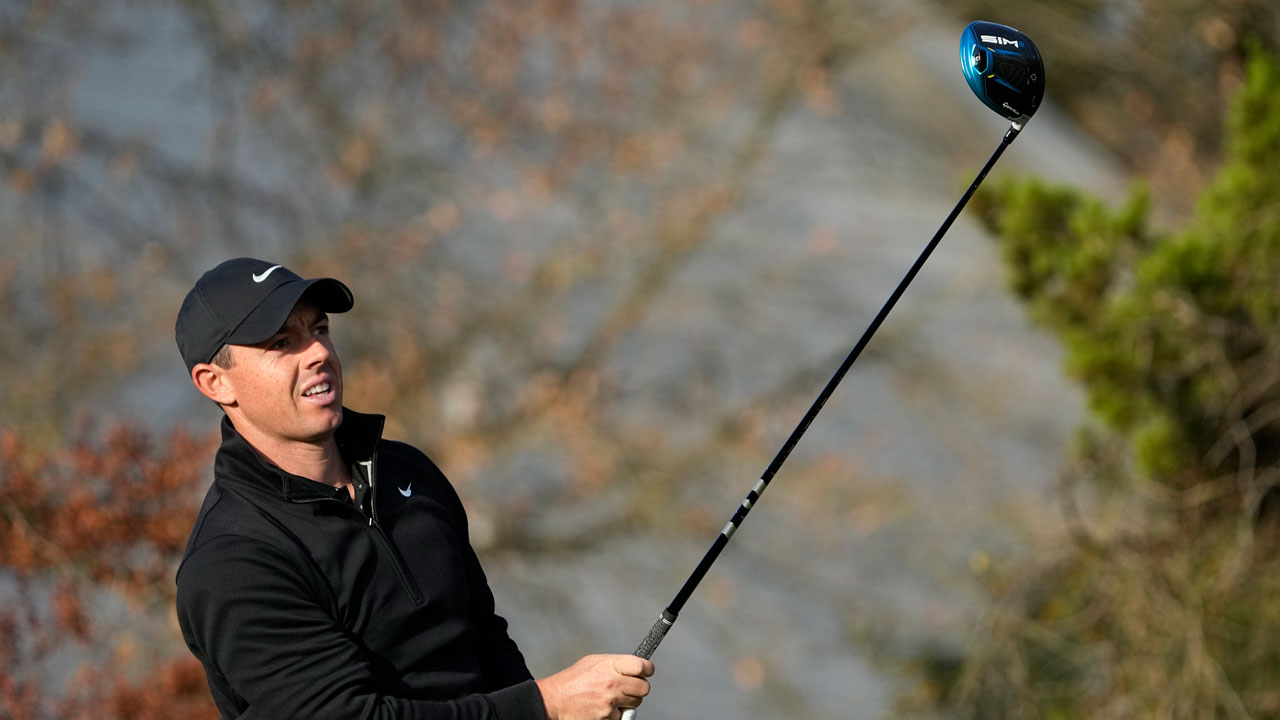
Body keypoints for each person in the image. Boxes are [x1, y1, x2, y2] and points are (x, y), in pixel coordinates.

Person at [173, 257, 653, 720]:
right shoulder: (233, 561)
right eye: (282, 343)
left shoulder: (407, 471)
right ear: (215, 383)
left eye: (319, 329)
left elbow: (486, 639)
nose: (319, 352)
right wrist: (546, 707)